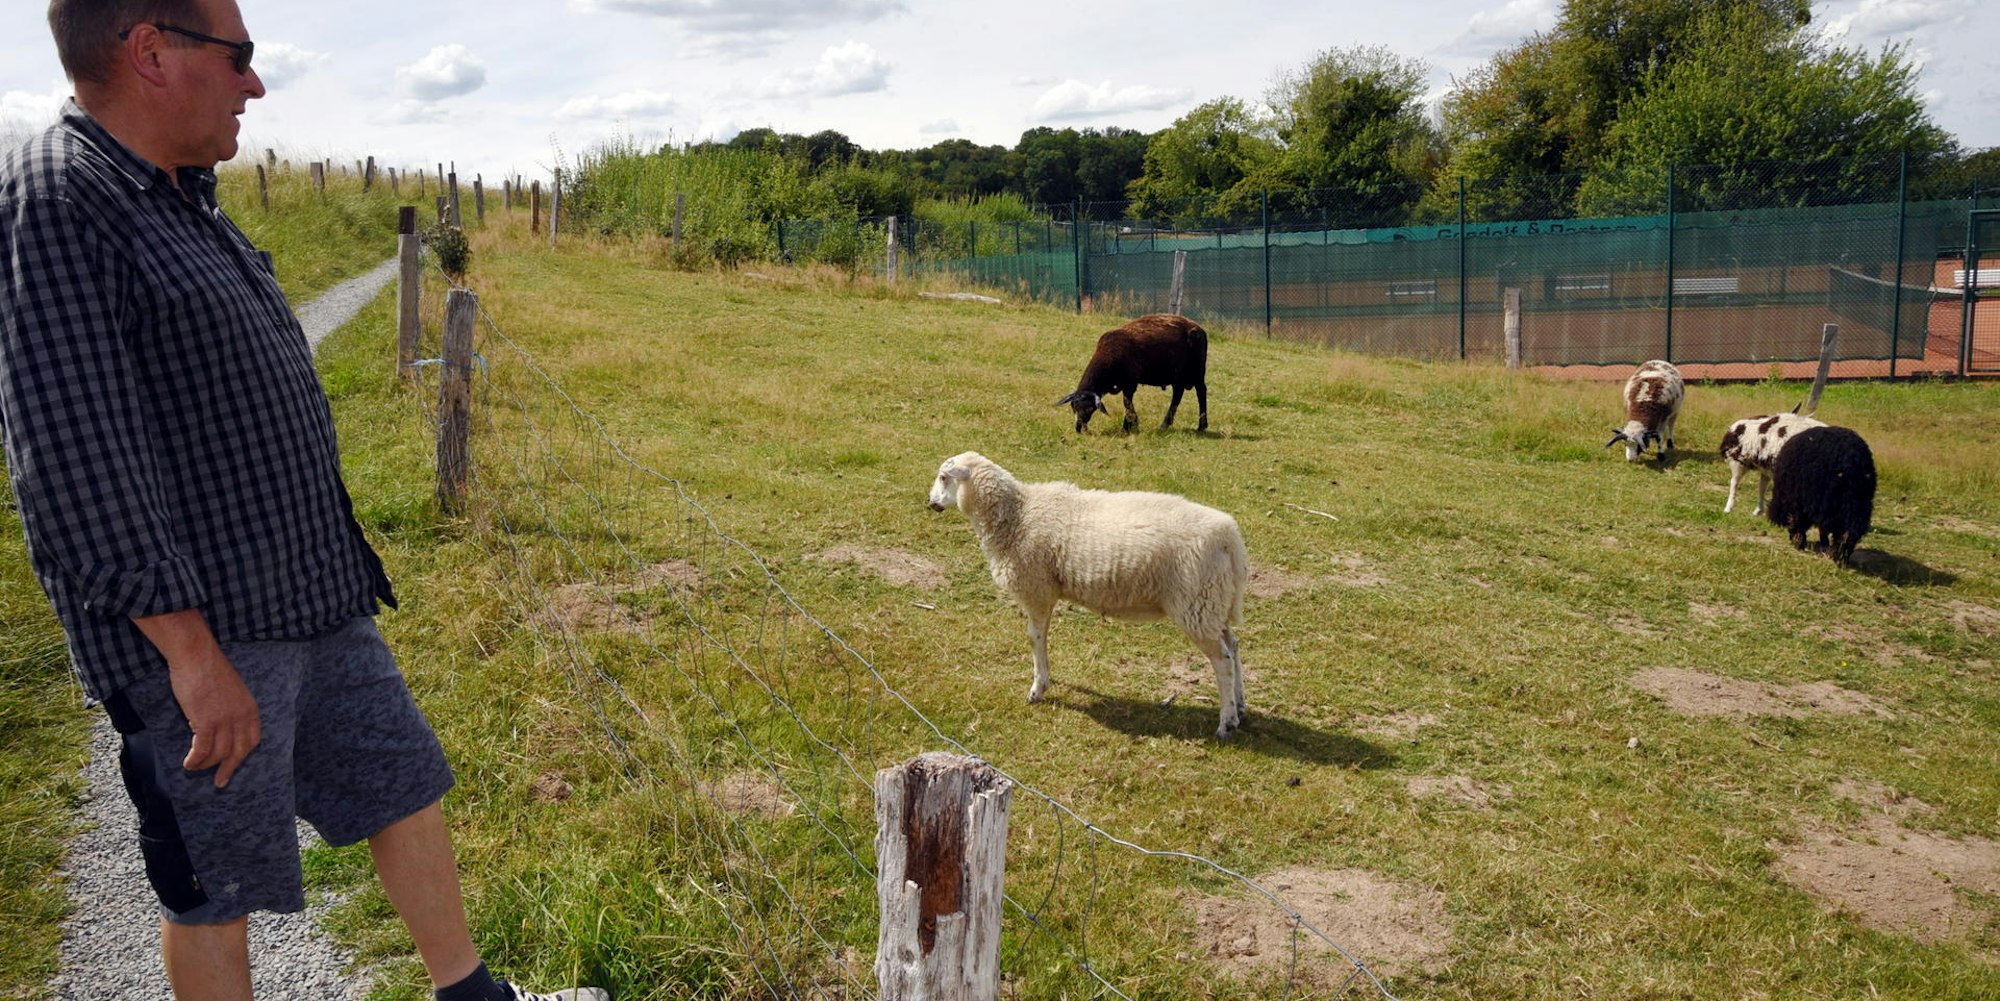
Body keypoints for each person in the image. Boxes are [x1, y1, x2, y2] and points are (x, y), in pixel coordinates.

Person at [0, 3, 608, 1000]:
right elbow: (73, 463)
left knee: (400, 781)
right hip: (205, 632)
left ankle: (474, 995)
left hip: (309, 591)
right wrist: (191, 658)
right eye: (238, 58)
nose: (256, 84)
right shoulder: (61, 200)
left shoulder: (176, 192)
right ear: (150, 52)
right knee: (212, 882)